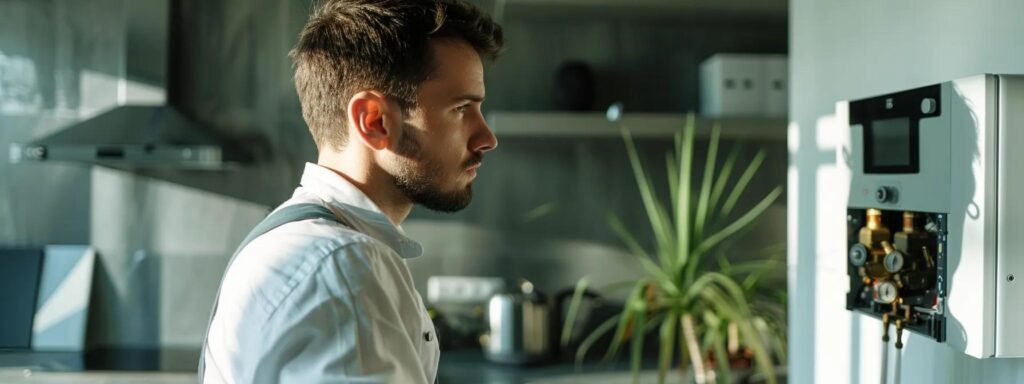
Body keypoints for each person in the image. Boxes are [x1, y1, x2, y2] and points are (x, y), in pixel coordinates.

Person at [199, 1, 503, 382]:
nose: (487, 138)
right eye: (461, 109)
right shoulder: (342, 264)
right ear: (373, 121)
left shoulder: (302, 243)